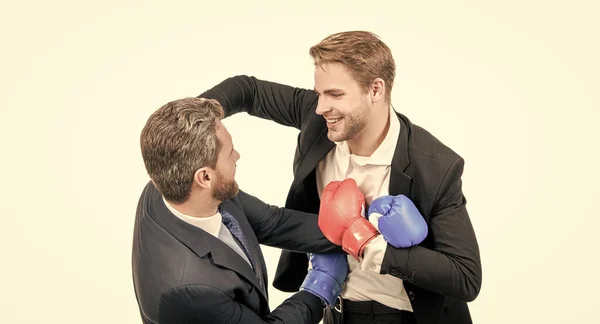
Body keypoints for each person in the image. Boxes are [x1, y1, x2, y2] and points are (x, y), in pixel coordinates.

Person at [197, 31, 482, 324]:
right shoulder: (318, 117)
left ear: (376, 90)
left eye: (335, 94)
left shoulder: (435, 166)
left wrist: (373, 247)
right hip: (336, 313)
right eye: (319, 93)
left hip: (405, 317)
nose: (320, 107)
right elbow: (249, 90)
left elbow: (466, 277)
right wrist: (191, 117)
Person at [131, 97, 350, 324]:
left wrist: (355, 229)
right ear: (205, 176)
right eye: (230, 152)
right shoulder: (191, 290)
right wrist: (319, 289)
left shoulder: (173, 183)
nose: (237, 156)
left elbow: (272, 222)